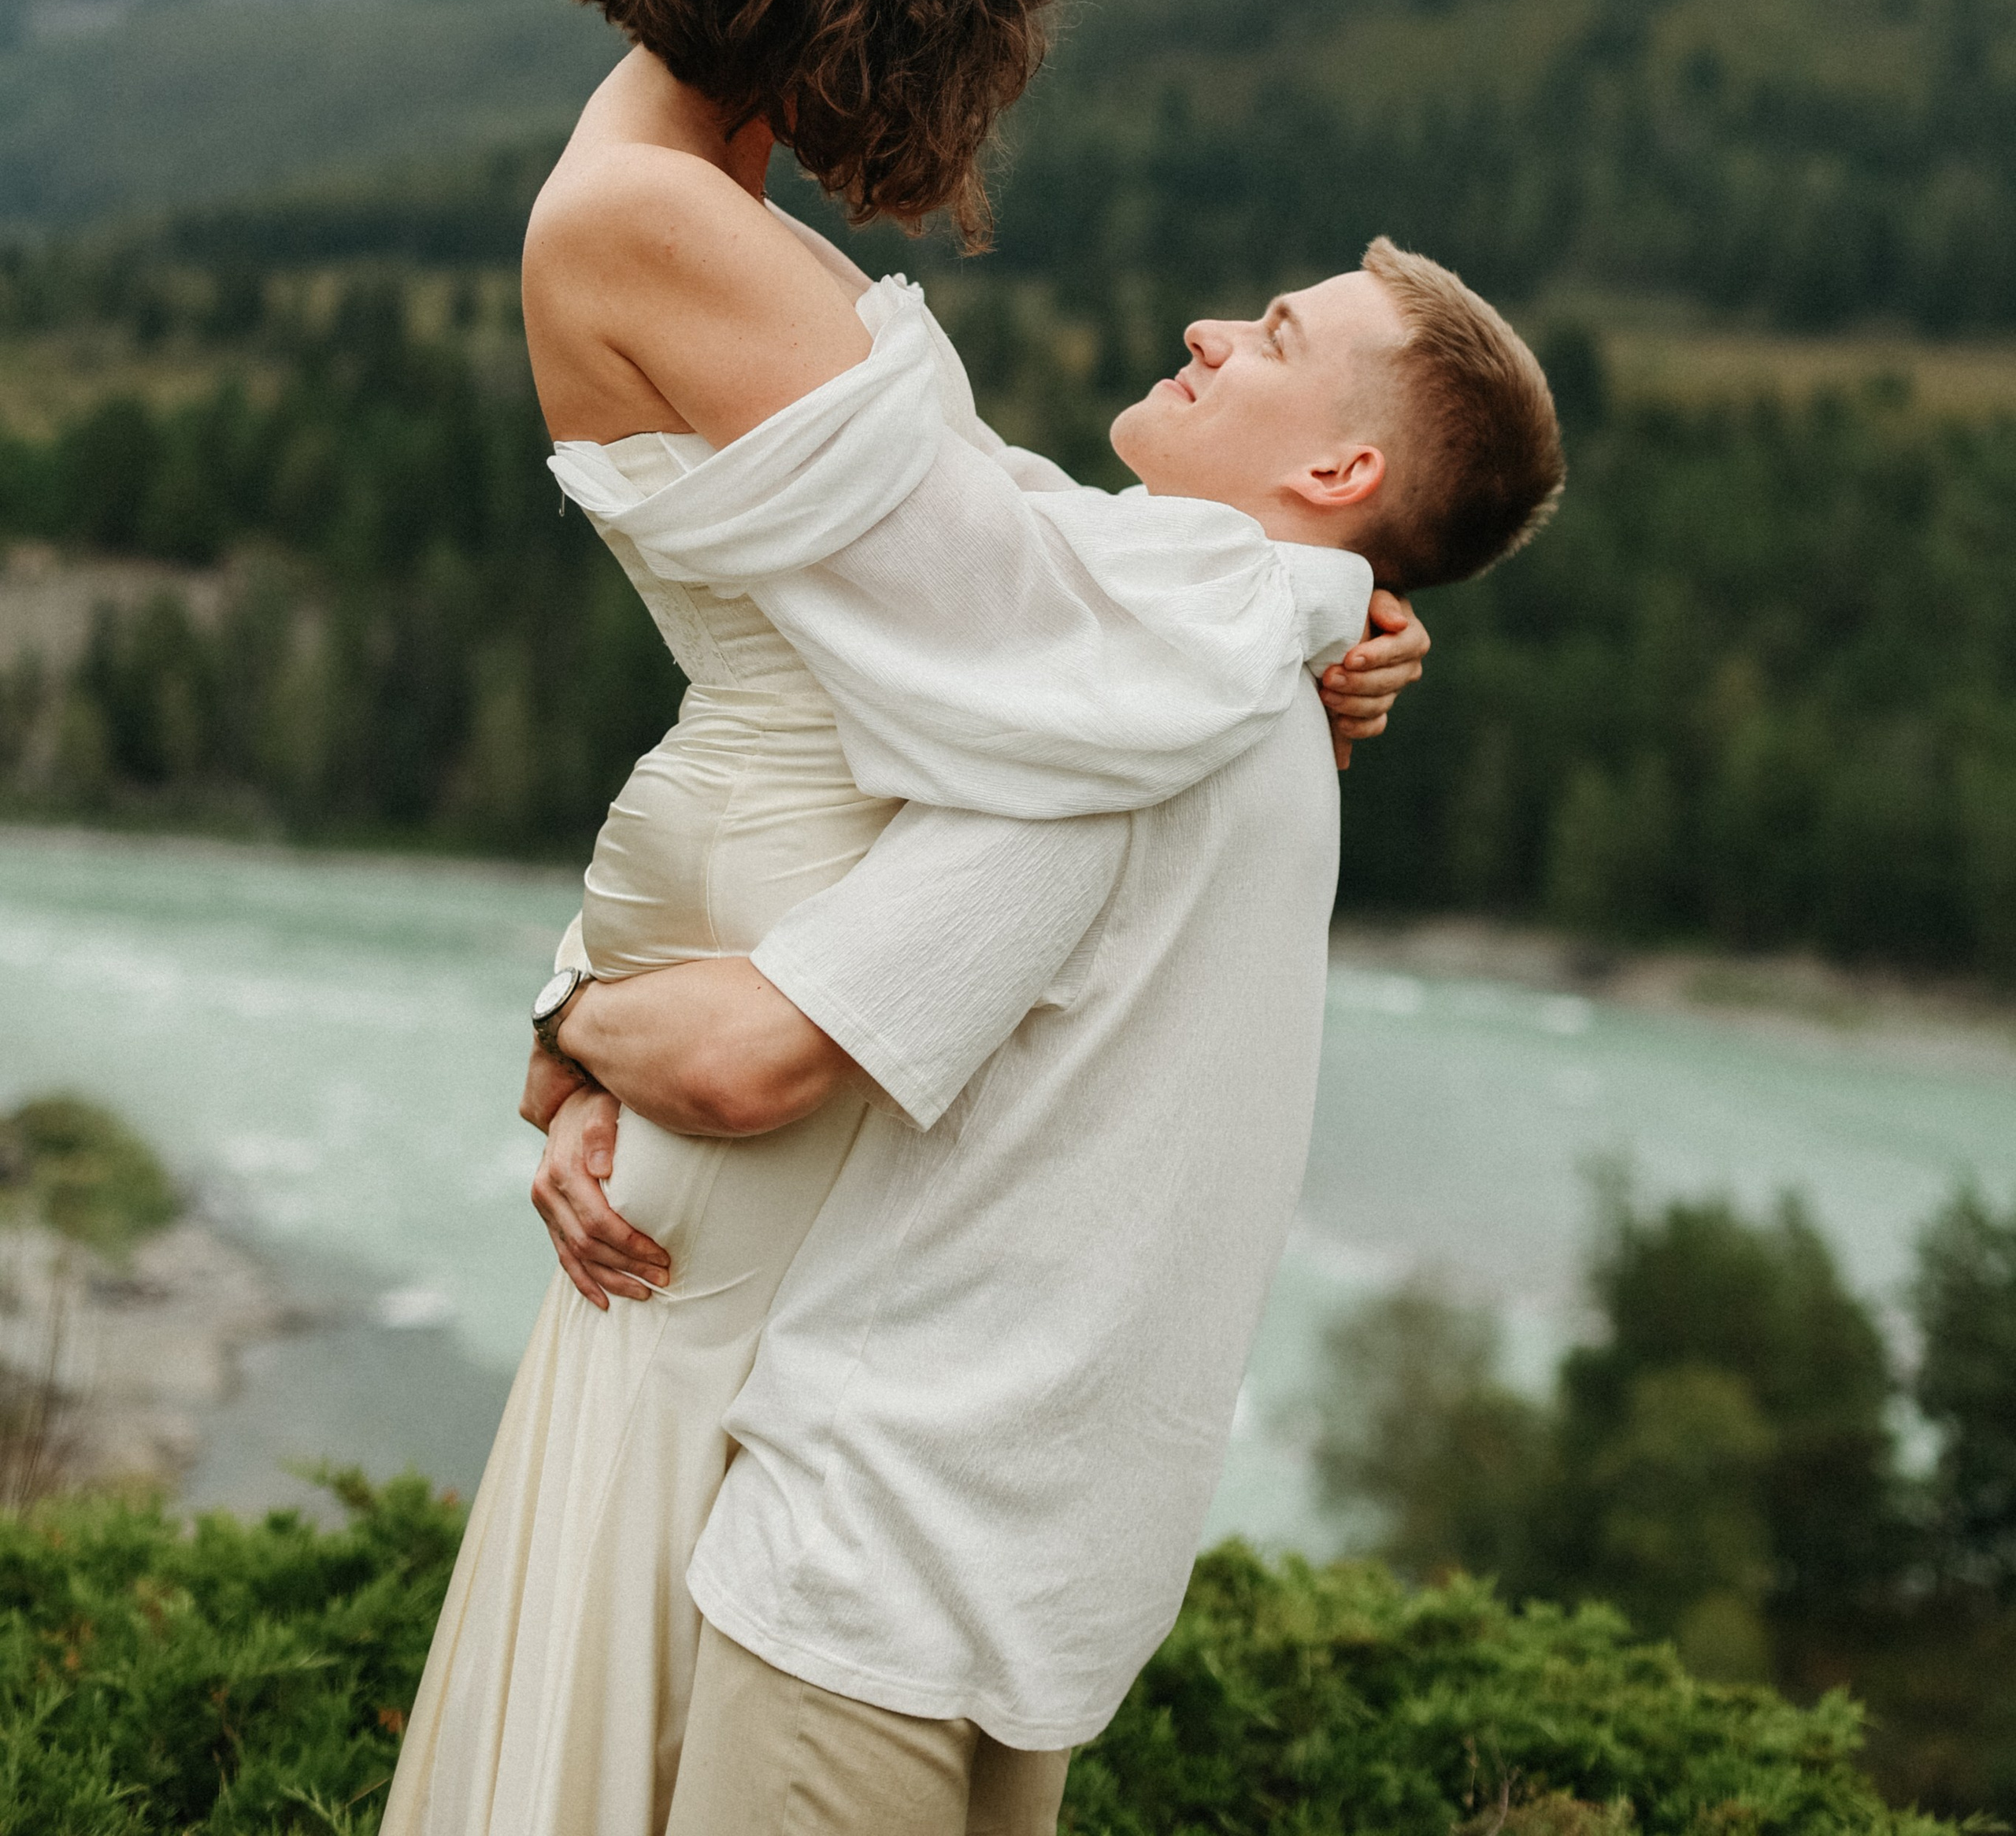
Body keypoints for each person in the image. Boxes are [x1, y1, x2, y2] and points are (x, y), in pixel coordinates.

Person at [380, 0, 1427, 1836]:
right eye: (952, 39)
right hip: (798, 921)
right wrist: (1291, 598)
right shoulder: (661, 226)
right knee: (750, 1486)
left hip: (786, 895)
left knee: (737, 1457)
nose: (952, 102)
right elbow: (1017, 619)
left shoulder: (682, 204)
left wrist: (1285, 602)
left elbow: (993, 555)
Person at [527, 237, 1560, 1836]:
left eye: (1274, 337)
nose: (1208, 327)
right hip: (1051, 1588)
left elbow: (752, 1062)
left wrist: (571, 1019)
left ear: (1341, 462)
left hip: (881, 1568)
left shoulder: (1139, 710)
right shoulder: (1272, 686)